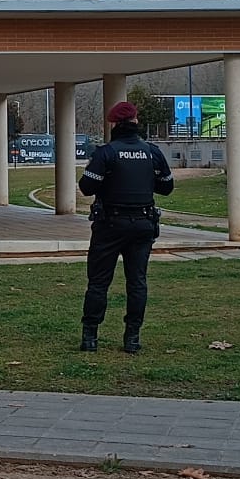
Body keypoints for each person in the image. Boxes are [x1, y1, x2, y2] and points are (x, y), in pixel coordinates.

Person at [77, 101, 174, 353]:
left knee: (98, 282)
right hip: (143, 224)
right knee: (137, 281)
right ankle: (132, 338)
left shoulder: (106, 152)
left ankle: (90, 338)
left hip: (109, 224)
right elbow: (166, 186)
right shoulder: (152, 151)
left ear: (113, 124)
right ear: (135, 121)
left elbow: (87, 186)